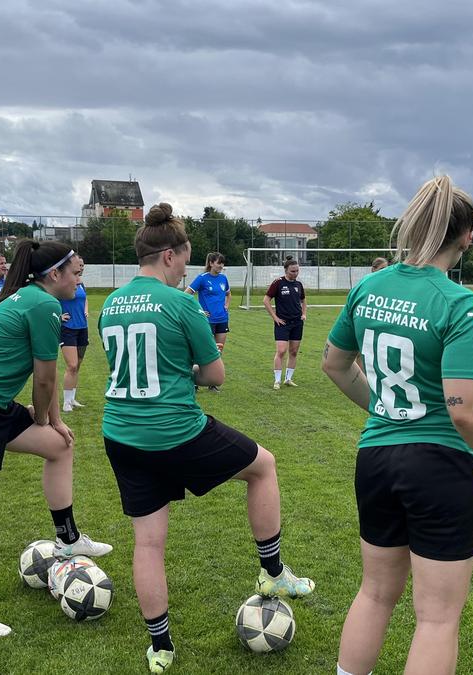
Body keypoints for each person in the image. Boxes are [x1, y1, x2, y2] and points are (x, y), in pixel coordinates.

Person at [321, 175, 473, 675]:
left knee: (375, 595)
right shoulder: (461, 304)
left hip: (376, 460)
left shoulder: (369, 287)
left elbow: (334, 364)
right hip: (438, 467)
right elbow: (463, 408)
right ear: (466, 237)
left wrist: (388, 410)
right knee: (437, 618)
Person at [100, 203, 314, 674]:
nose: (187, 270)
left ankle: (160, 647)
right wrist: (192, 371)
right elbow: (215, 374)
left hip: (120, 432)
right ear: (171, 256)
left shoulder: (111, 303)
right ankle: (273, 573)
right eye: (187, 259)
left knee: (148, 544)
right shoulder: (181, 302)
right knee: (263, 466)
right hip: (174, 430)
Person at [0, 239, 112, 638]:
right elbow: (45, 377)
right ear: (55, 275)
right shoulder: (43, 304)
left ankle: (68, 539)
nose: (79, 281)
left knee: (58, 446)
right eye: (77, 273)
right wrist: (51, 416)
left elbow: (41, 380)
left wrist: (51, 423)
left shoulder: (28, 296)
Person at [186, 252, 231, 392]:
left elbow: (228, 294)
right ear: (211, 263)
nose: (221, 266)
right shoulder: (202, 278)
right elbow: (186, 294)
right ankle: (194, 381)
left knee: (218, 350)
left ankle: (212, 382)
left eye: (223, 263)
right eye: (219, 263)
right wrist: (198, 310)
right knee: (203, 350)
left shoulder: (223, 278)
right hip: (207, 321)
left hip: (222, 320)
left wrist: (226, 305)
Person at [263, 257, 306, 389]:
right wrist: (275, 317)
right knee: (281, 351)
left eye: (297, 271)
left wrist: (304, 314)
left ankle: (288, 379)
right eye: (293, 271)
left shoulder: (298, 285)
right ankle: (277, 380)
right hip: (282, 323)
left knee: (293, 352)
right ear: (286, 270)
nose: (295, 273)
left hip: (297, 323)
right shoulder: (278, 283)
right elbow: (266, 300)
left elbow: (303, 300)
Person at [59, 259, 90, 412]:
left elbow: (85, 298)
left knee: (77, 366)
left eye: (83, 265)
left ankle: (72, 399)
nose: (81, 267)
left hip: (82, 327)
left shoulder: (81, 282)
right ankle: (66, 403)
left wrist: (85, 310)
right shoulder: (63, 282)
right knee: (71, 365)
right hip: (67, 328)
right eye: (79, 265)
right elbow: (51, 299)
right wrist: (59, 315)